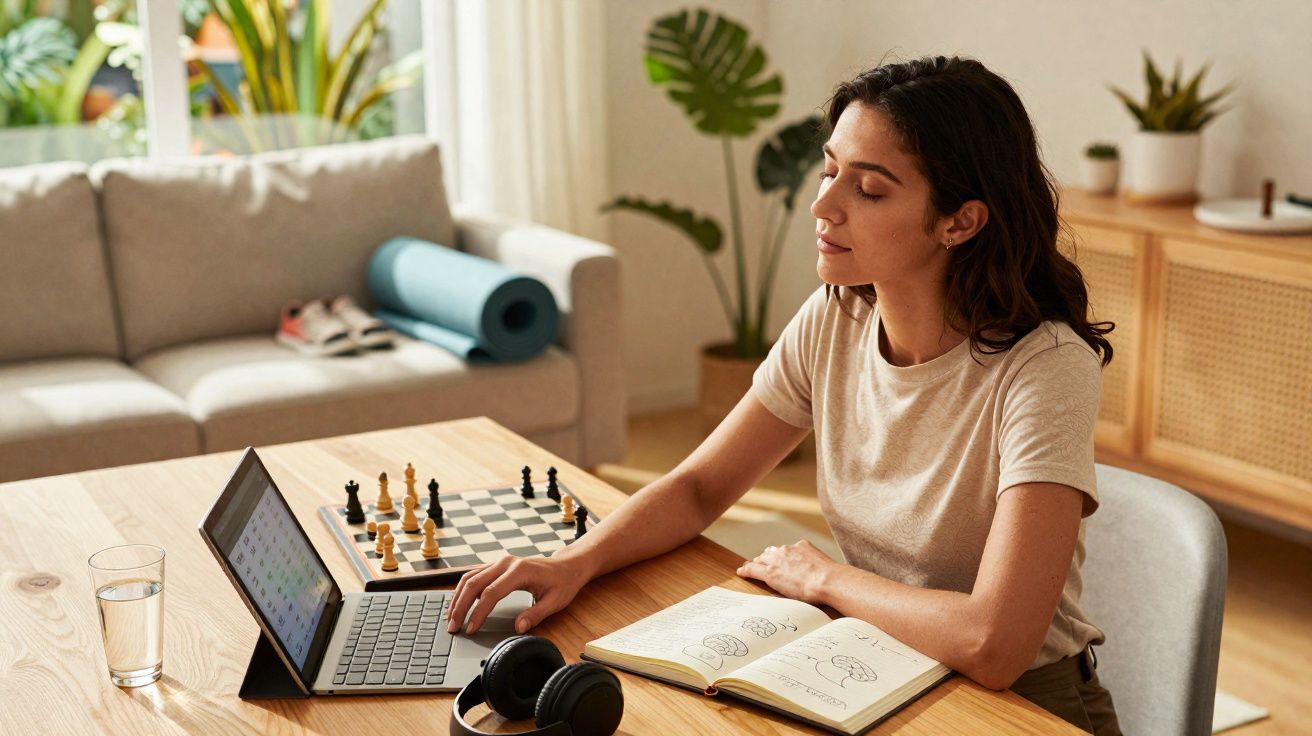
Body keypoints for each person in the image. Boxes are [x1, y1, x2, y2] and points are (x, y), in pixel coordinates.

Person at [448, 55, 1121, 735]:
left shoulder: (1044, 367)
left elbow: (995, 644)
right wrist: (572, 562)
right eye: (831, 170)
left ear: (960, 222)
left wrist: (824, 580)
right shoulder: (838, 316)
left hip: (1022, 709)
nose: (823, 205)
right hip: (879, 670)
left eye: (870, 189)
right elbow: (700, 490)